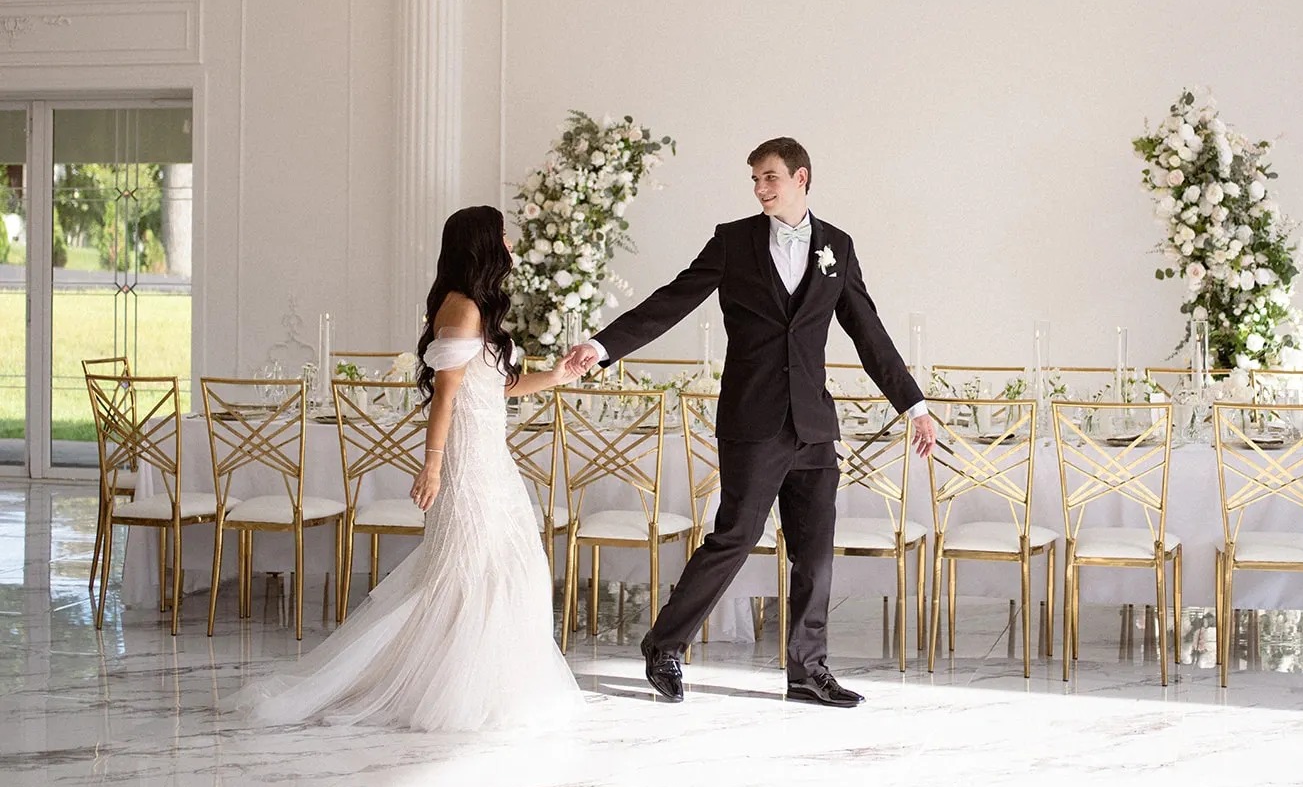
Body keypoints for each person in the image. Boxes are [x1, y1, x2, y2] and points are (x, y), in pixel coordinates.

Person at [562, 137, 935, 708]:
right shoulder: (733, 241)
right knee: (734, 537)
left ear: (800, 178)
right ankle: (664, 644)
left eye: (770, 178)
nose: (760, 189)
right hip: (752, 420)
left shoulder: (836, 246)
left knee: (815, 552)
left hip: (813, 424)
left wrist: (914, 406)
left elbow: (869, 333)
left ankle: (808, 670)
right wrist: (601, 346)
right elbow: (671, 301)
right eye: (755, 180)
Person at [227, 205, 584, 731]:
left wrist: (556, 376)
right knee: (467, 570)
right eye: (503, 235)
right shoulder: (463, 308)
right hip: (468, 463)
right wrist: (433, 467)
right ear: (482, 245)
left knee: (507, 565)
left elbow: (498, 386)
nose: (510, 244)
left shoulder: (475, 307)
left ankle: (491, 684)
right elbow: (445, 397)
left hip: (492, 461)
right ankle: (452, 688)